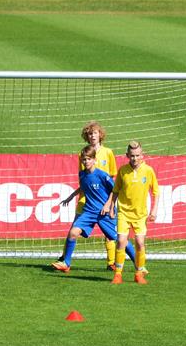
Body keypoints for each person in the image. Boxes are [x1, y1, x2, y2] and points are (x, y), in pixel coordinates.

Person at [52, 145, 136, 273]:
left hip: (104, 213)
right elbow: (84, 187)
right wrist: (71, 196)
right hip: (89, 212)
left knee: (120, 240)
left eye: (89, 159)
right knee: (73, 232)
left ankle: (139, 264)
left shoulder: (102, 175)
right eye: (84, 159)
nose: (86, 162)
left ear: (94, 160)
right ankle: (66, 263)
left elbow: (115, 190)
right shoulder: (82, 175)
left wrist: (108, 205)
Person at [58, 121, 120, 268]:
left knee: (109, 231)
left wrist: (110, 201)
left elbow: (112, 176)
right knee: (75, 227)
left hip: (104, 197)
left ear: (100, 135)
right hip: (86, 198)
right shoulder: (83, 154)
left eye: (95, 133)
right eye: (90, 133)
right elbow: (84, 179)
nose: (92, 136)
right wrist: (72, 196)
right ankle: (64, 259)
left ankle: (111, 262)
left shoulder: (108, 152)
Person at [102, 140, 159, 284]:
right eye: (132, 155)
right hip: (124, 213)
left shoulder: (148, 171)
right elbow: (115, 190)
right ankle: (118, 274)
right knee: (121, 241)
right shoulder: (123, 170)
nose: (135, 158)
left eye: (137, 155)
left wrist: (154, 209)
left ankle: (139, 274)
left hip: (140, 214)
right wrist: (111, 207)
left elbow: (156, 192)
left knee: (140, 242)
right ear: (127, 155)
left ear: (142, 155)